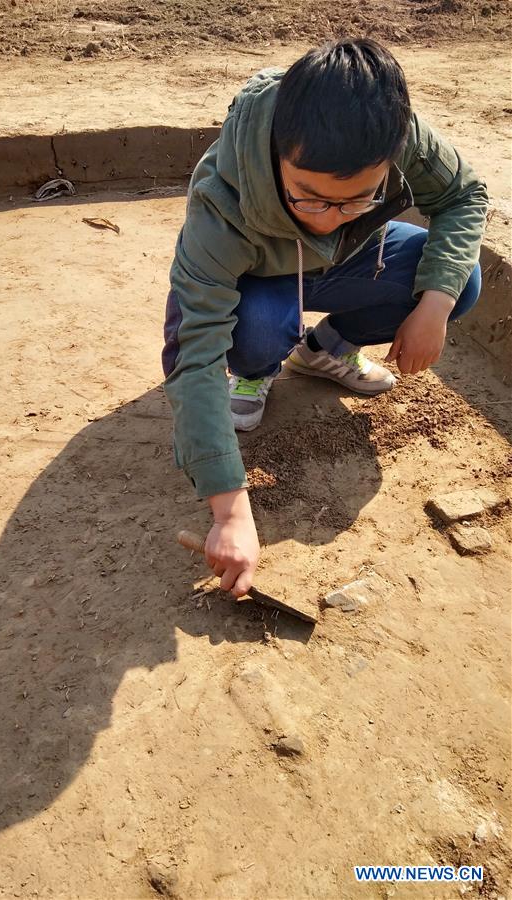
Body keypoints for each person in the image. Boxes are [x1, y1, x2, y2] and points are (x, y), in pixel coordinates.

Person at [162, 38, 487, 599]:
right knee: (258, 329)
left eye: (358, 198)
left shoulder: (399, 132)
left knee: (461, 281)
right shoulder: (221, 201)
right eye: (309, 198)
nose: (328, 219)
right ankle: (256, 369)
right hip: (261, 276)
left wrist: (435, 304)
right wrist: (231, 509)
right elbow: (193, 353)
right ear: (279, 154)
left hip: (356, 258)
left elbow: (464, 194)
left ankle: (325, 348)